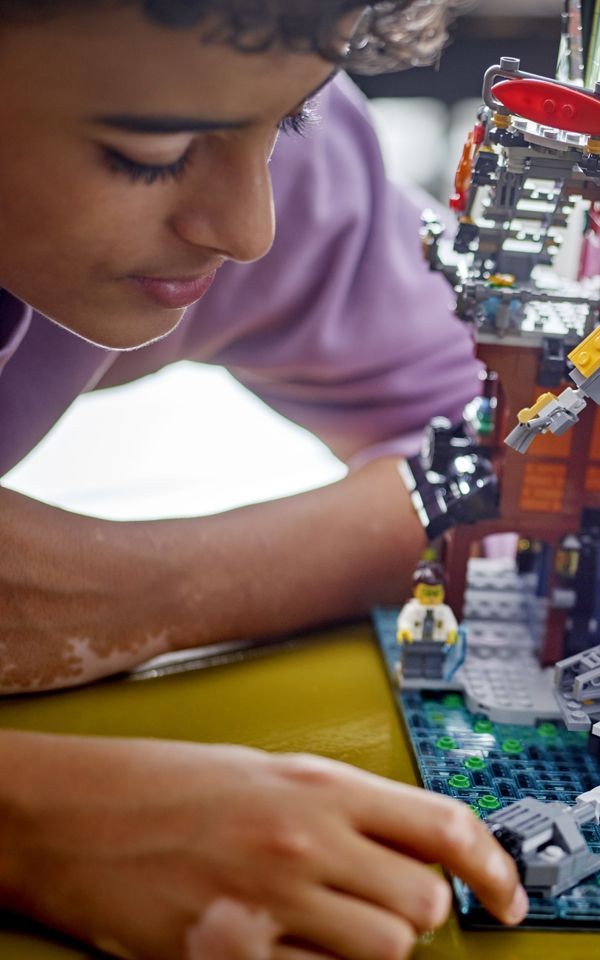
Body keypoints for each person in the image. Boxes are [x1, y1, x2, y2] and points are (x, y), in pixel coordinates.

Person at [0, 2, 528, 957]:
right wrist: (31, 818)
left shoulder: (252, 105)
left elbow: (517, 463)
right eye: (152, 153)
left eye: (291, 118)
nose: (250, 228)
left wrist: (134, 591)